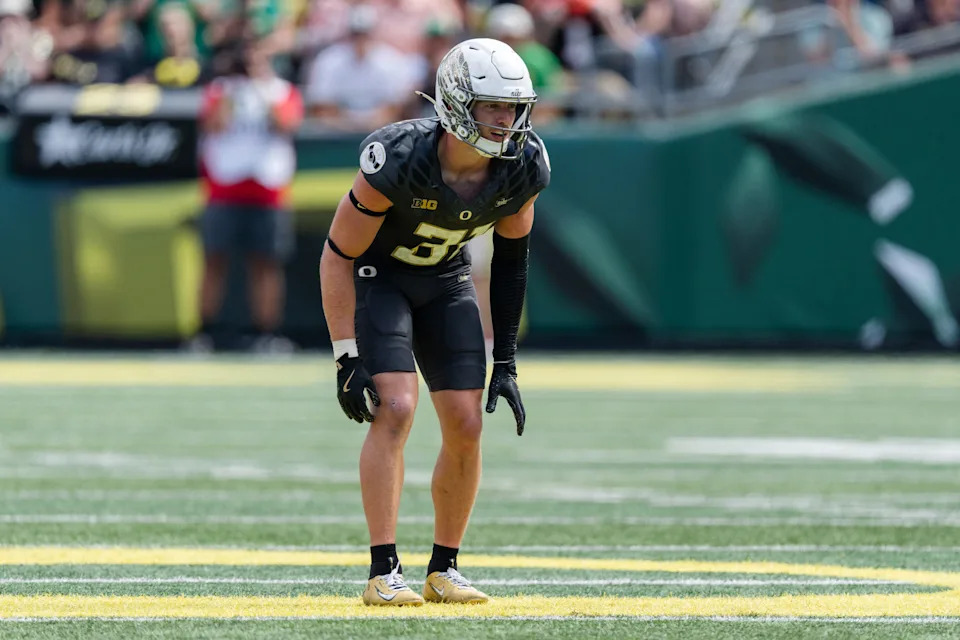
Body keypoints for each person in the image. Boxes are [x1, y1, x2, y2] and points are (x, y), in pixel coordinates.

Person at [319, 37, 550, 606]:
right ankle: (383, 570)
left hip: (445, 279)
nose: (505, 119)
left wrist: (508, 359)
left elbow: (514, 260)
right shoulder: (398, 158)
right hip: (382, 277)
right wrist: (346, 356)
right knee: (395, 408)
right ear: (455, 102)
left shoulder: (521, 166)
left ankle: (444, 568)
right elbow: (337, 255)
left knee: (467, 423)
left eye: (512, 106)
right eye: (492, 105)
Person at [189, 36, 303, 354]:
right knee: (213, 261)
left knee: (266, 263)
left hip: (268, 188)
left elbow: (285, 124)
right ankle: (205, 331)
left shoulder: (282, 91)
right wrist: (232, 87)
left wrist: (261, 85)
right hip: (223, 187)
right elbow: (213, 125)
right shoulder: (219, 90)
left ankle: (265, 332)